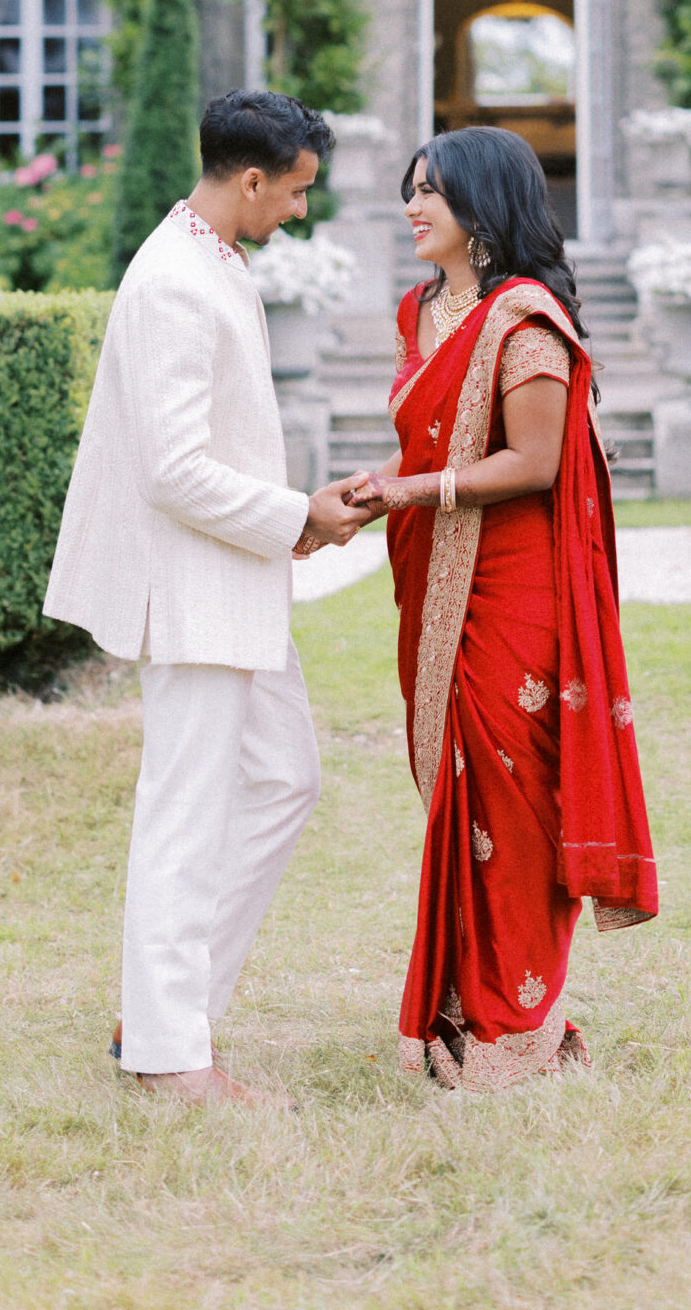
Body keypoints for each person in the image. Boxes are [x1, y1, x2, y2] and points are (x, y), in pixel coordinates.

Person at [44, 87, 372, 1106]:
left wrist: (291, 524)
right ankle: (167, 1053)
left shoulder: (214, 260)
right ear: (249, 179)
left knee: (285, 779)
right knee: (185, 812)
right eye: (297, 192)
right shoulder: (174, 281)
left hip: (236, 579)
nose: (301, 212)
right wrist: (295, 516)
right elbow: (174, 471)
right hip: (189, 589)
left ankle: (163, 1007)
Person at [342, 126, 657, 1092]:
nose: (413, 205)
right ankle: (459, 1013)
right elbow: (429, 444)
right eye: (411, 189)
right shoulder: (419, 312)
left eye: (431, 192)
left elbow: (532, 464)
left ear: (481, 210)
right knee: (456, 791)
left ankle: (516, 1023)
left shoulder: (525, 321)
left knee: (513, 797)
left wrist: (412, 492)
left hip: (514, 584)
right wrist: (365, 500)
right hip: (437, 571)